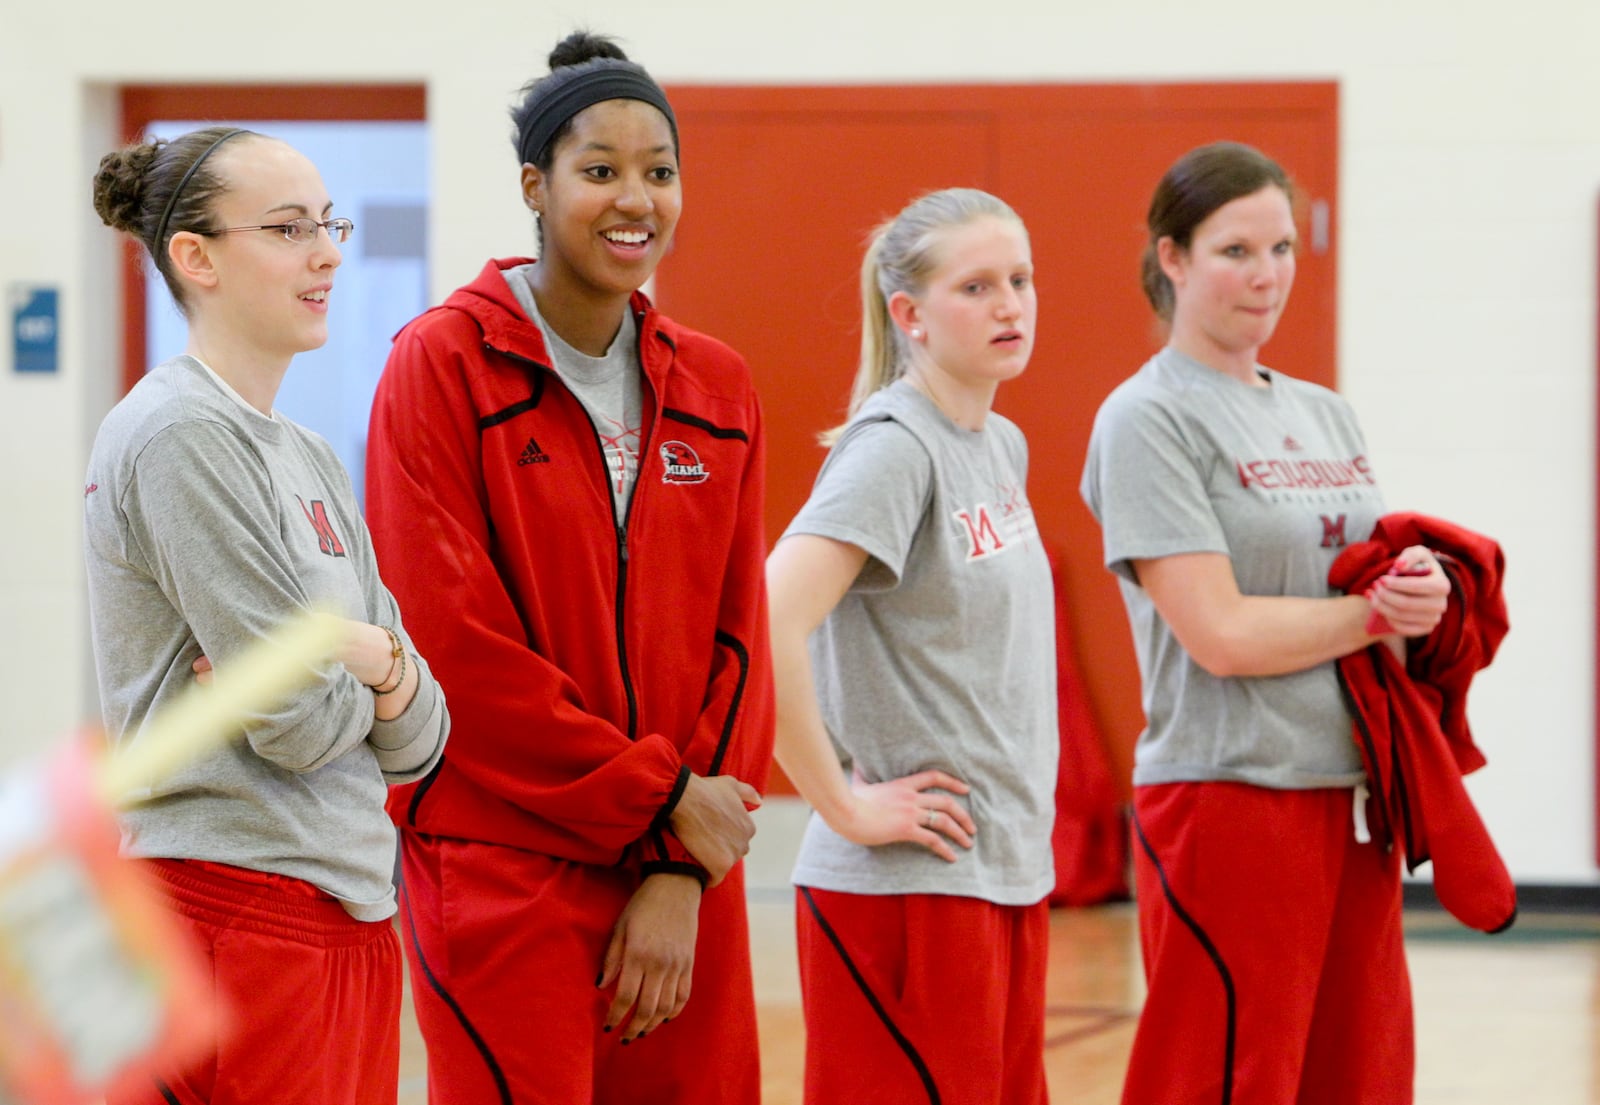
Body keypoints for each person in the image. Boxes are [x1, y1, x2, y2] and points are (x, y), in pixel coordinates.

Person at [363, 31, 772, 1105]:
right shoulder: (439, 363)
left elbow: (739, 637)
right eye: (600, 172)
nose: (634, 199)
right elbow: (451, 646)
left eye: (659, 171)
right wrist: (665, 799)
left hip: (677, 862)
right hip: (503, 861)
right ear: (535, 188)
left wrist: (679, 862)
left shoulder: (719, 389)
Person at [1080, 140, 1452, 1105]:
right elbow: (1222, 635)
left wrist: (1418, 600)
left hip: (1353, 797)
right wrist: (1371, 614)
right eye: (1236, 250)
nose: (1267, 274)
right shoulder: (1147, 418)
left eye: (1282, 248)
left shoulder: (1328, 414)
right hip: (1228, 796)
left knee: (1358, 1078)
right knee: (1224, 1081)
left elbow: (1367, 598)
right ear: (1172, 257)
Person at [85, 125, 449, 1105]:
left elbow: (420, 740)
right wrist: (372, 674)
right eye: (290, 228)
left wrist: (366, 658)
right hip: (234, 900)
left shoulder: (309, 455)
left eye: (329, 224)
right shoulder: (179, 435)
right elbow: (291, 725)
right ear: (194, 257)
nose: (329, 252)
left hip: (341, 902)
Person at [766, 187, 1058, 1105]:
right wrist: (844, 807)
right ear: (910, 315)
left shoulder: (997, 442)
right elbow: (762, 617)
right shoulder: (894, 450)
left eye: (1020, 278)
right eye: (977, 286)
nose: (1010, 304)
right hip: (905, 897)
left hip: (1001, 875)